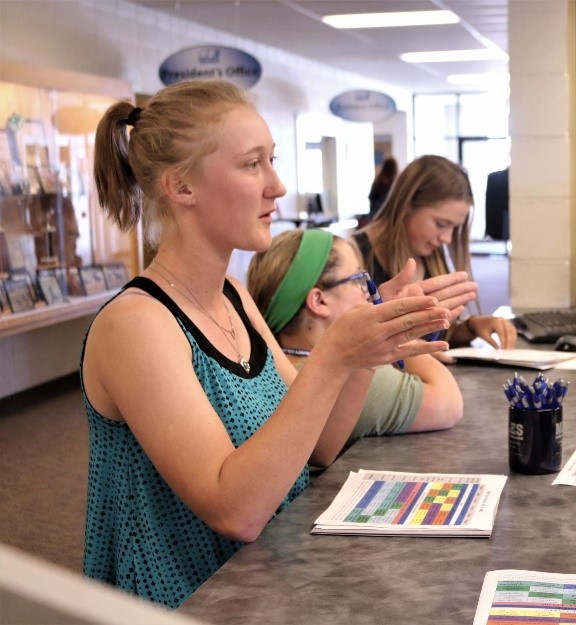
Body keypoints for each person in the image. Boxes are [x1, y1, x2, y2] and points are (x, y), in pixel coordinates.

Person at [82, 80, 454, 608]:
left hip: (264, 588)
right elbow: (236, 512)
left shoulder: (232, 294)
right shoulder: (137, 325)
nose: (277, 186)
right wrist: (331, 359)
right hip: (190, 603)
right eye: (252, 164)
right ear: (181, 187)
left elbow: (319, 446)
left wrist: (373, 343)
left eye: (272, 161)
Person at [246, 228, 463, 448]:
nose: (369, 293)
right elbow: (448, 404)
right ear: (319, 302)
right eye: (358, 279)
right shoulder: (340, 376)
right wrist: (398, 330)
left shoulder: (272, 368)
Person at [353, 155, 518, 350]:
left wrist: (472, 326)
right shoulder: (354, 258)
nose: (447, 239)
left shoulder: (430, 256)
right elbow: (347, 346)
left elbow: (436, 334)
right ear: (407, 205)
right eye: (441, 224)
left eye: (454, 228)